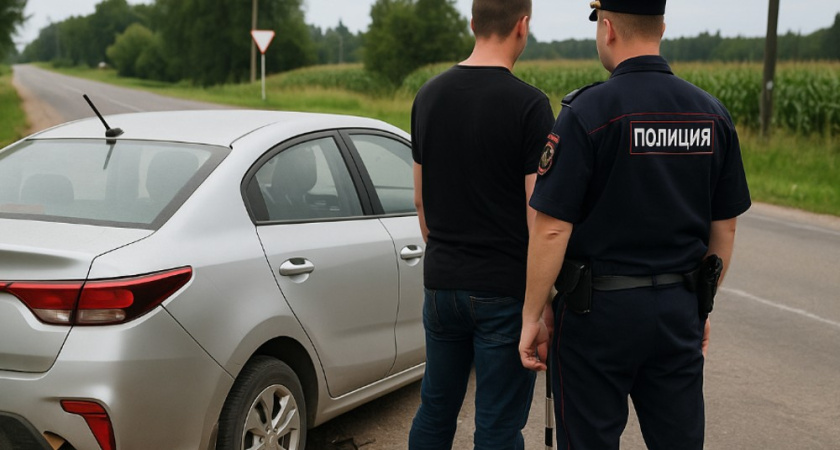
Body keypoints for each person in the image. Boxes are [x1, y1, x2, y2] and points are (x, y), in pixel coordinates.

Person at [518, 1, 751, 449]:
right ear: (661, 27)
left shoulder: (587, 113)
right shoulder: (712, 114)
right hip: (677, 310)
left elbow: (551, 230)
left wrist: (533, 315)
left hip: (596, 317)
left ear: (607, 29)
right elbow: (725, 229)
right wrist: (700, 302)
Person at [408, 0, 555, 448]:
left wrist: (450, 257)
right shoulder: (530, 106)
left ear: (472, 23)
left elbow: (421, 204)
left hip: (441, 283)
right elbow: (539, 220)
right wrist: (541, 305)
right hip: (504, 292)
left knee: (436, 407)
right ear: (522, 26)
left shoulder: (427, 96)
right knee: (496, 425)